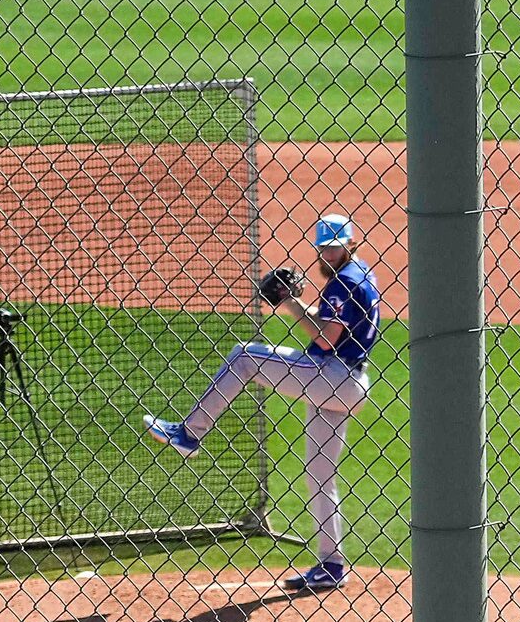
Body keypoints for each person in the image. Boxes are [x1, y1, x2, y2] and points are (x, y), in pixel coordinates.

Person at [144, 213, 379, 592]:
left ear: (351, 244)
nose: (328, 253)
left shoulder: (343, 283)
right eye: (324, 246)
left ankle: (189, 433)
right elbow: (335, 326)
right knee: (320, 478)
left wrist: (290, 303)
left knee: (245, 357)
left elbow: (325, 340)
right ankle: (331, 564)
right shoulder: (360, 274)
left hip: (332, 376)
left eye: (335, 246)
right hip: (347, 383)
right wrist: (299, 302)